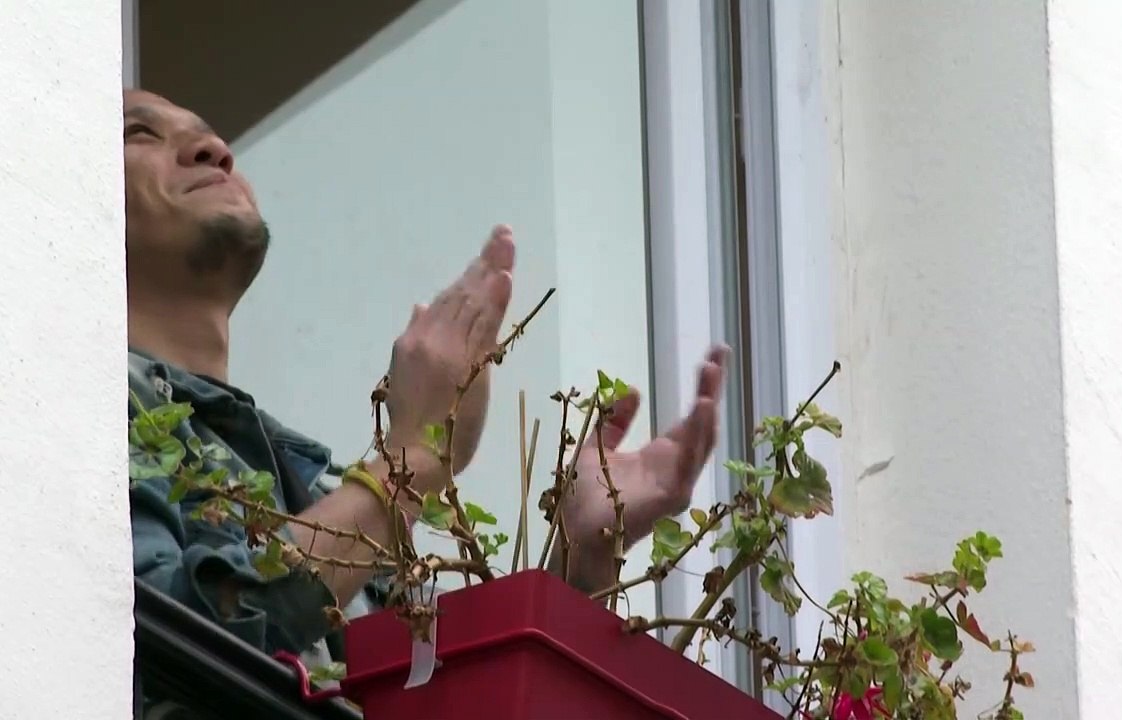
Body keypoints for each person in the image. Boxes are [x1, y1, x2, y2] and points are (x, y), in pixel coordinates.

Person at [123, 88, 728, 715]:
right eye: (139, 133)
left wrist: (581, 563)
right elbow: (137, 648)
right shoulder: (64, 418)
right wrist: (410, 458)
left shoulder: (303, 478)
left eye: (210, 134)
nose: (215, 150)